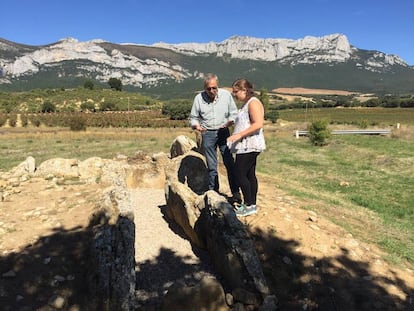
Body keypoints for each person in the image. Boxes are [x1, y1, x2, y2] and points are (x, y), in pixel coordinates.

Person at [189, 73, 241, 203]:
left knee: (229, 162)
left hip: (223, 131)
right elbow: (193, 117)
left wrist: (230, 121)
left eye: (214, 88)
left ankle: (235, 193)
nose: (212, 91)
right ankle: (214, 194)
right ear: (204, 88)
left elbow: (234, 113)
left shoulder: (226, 95)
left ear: (218, 86)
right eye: (208, 89)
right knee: (212, 166)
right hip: (207, 133)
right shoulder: (198, 99)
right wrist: (196, 126)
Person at [227, 78, 266, 216]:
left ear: (244, 90)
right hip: (246, 145)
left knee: (239, 173)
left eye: (236, 92)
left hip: (249, 144)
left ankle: (249, 204)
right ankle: (251, 204)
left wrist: (239, 135)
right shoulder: (247, 104)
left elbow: (258, 123)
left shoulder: (253, 103)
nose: (234, 95)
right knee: (249, 174)